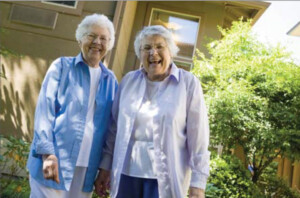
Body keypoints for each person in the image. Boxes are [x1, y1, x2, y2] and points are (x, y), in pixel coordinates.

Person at [95, 25, 210, 198]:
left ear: (170, 51)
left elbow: (198, 138)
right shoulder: (128, 82)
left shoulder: (188, 84)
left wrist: (198, 184)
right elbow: (114, 128)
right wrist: (105, 167)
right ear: (140, 54)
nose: (153, 53)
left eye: (159, 47)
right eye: (146, 48)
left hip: (164, 180)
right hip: (126, 175)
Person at [27, 13, 117, 198]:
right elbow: (45, 112)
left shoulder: (111, 81)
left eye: (103, 38)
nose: (97, 42)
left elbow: (112, 128)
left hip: (87, 168)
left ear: (109, 45)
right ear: (80, 39)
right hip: (55, 159)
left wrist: (105, 168)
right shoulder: (61, 67)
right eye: (91, 36)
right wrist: (47, 154)